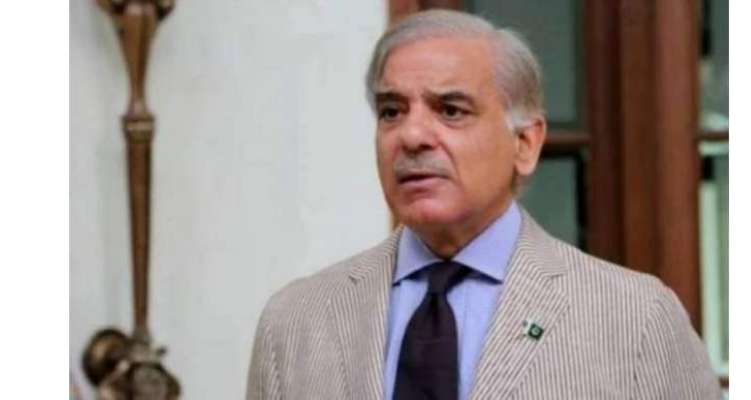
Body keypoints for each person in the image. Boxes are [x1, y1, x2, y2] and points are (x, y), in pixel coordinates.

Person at [247, 9, 721, 400]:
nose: (411, 136)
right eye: (392, 111)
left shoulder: (634, 317)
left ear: (525, 143)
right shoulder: (297, 321)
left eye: (451, 110)